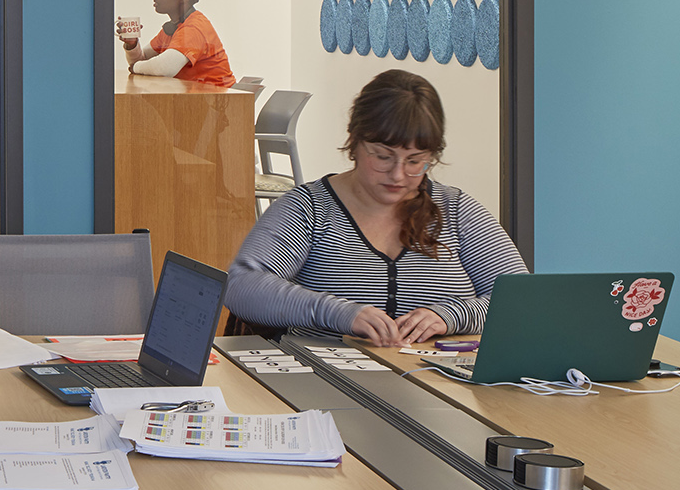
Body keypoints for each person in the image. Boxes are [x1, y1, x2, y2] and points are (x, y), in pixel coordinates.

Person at [224, 69, 526, 342]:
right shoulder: (310, 208)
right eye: (383, 157)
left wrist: (451, 316)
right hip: (323, 376)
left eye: (415, 161)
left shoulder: (456, 211)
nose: (398, 175)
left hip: (435, 378)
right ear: (354, 142)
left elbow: (523, 301)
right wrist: (339, 313)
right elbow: (242, 285)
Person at [123, 0, 234, 87]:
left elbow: (164, 68)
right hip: (198, 96)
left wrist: (135, 67)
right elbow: (142, 60)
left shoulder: (194, 27)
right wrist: (132, 44)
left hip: (220, 97)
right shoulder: (173, 27)